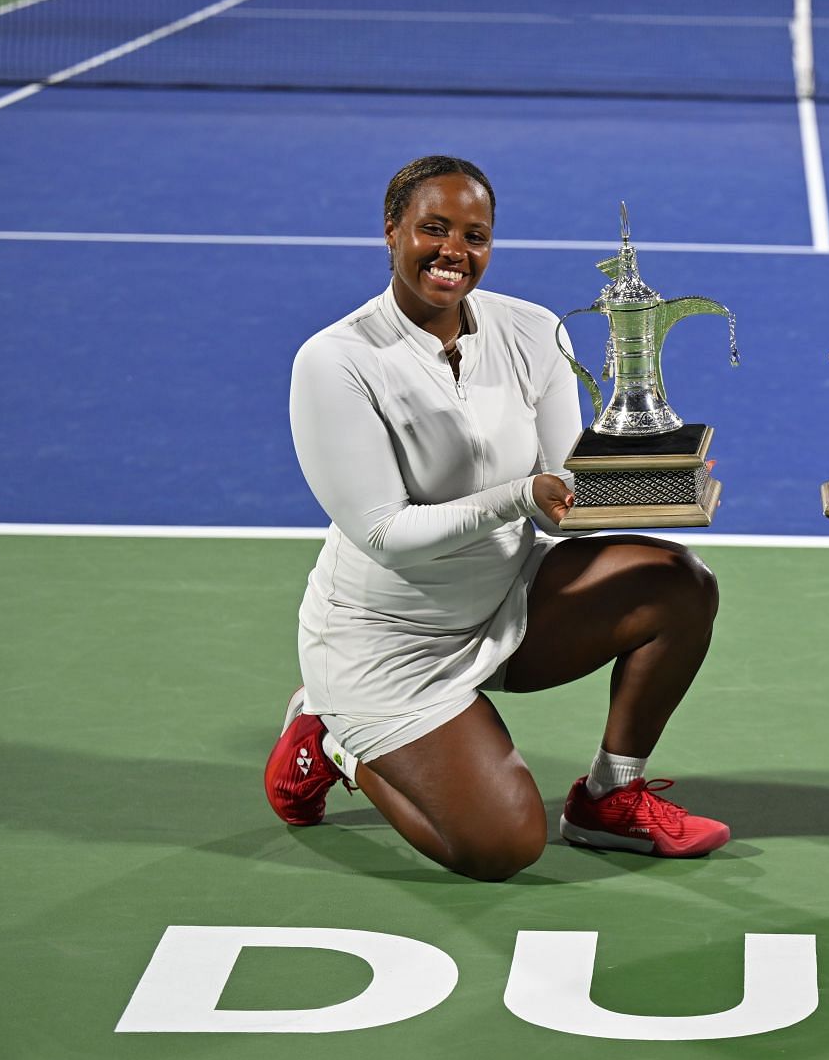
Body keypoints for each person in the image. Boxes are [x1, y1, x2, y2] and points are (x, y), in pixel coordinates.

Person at [264, 154, 729, 880]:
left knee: (678, 582)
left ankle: (610, 797)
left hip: (505, 602)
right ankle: (334, 735)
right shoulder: (336, 362)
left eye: (475, 236)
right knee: (502, 847)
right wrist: (518, 498)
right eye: (434, 229)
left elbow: (563, 497)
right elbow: (387, 537)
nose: (455, 252)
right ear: (391, 233)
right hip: (389, 646)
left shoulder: (534, 331)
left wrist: (656, 488)